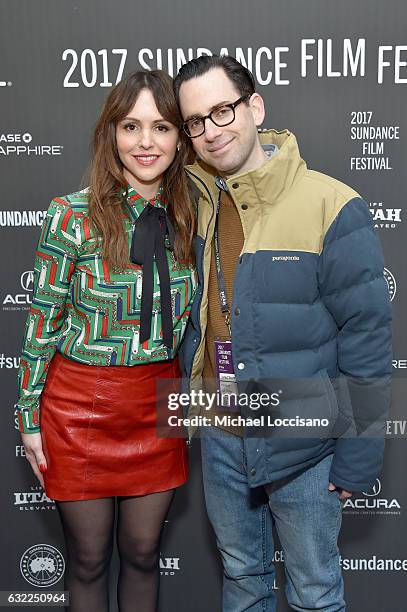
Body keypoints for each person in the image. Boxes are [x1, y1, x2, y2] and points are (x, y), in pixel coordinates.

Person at [174, 55, 392, 611]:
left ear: (255, 107)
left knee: (315, 591)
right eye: (195, 121)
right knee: (243, 580)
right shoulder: (194, 203)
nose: (210, 131)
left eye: (222, 111)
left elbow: (366, 337)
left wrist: (361, 450)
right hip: (222, 434)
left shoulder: (331, 204)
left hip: (306, 441)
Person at [16, 70, 196, 612]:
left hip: (160, 400)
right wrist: (27, 416)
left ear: (180, 138)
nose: (146, 142)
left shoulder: (196, 215)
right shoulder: (71, 214)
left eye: (161, 127)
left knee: (143, 554)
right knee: (89, 560)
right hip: (79, 407)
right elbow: (40, 322)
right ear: (110, 133)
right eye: (131, 126)